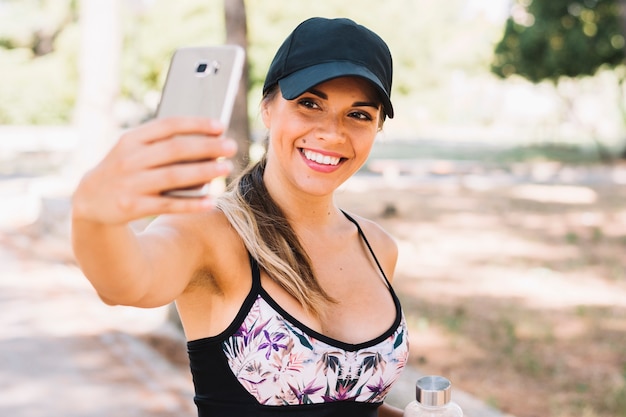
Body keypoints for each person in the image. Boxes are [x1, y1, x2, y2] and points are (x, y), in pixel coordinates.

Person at [71, 17, 409, 417]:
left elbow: (347, 401)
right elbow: (126, 284)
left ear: (377, 128)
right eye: (309, 103)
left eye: (358, 115)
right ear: (267, 108)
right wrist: (93, 215)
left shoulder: (378, 247)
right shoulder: (210, 232)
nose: (332, 133)